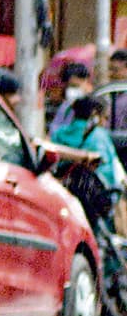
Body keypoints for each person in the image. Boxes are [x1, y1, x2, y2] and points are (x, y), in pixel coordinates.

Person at [52, 95, 122, 227]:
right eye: (105, 117)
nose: (105, 122)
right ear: (95, 114)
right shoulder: (99, 135)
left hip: (63, 190)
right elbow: (110, 172)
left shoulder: (59, 133)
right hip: (94, 197)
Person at [50, 61, 94, 132]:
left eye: (75, 86)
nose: (71, 90)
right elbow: (54, 128)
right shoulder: (65, 106)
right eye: (69, 86)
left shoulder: (93, 106)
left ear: (86, 81)